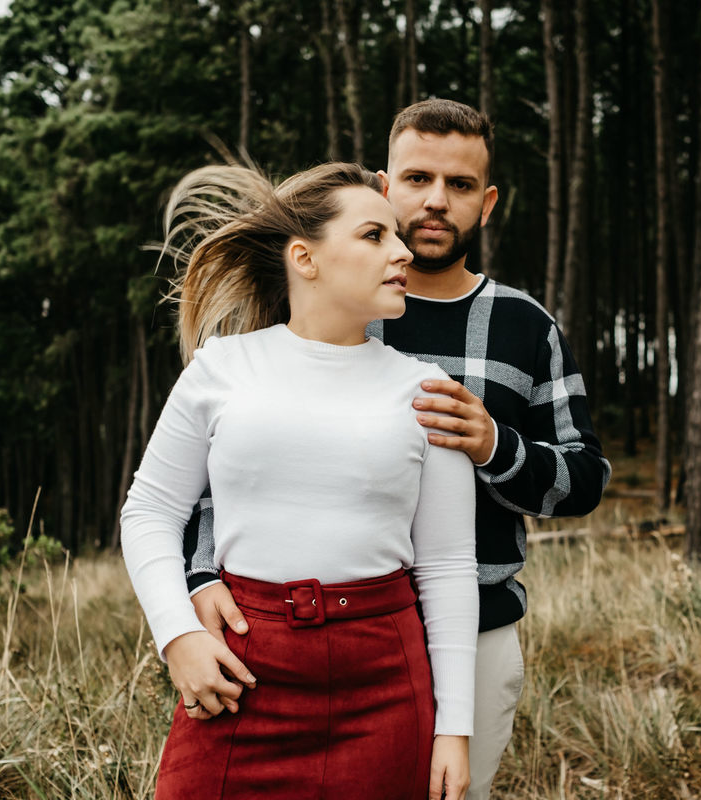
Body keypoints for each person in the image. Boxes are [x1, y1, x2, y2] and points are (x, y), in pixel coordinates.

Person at [183, 100, 610, 799]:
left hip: (472, 637)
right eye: (417, 178)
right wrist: (201, 581)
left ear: (488, 201)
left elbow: (586, 479)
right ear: (384, 186)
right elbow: (217, 474)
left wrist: (494, 445)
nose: (436, 201)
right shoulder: (316, 310)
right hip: (299, 642)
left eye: (461, 185)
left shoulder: (525, 326)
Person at [120, 160, 479, 800]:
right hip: (241, 673)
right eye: (375, 235)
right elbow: (148, 511)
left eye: (398, 235)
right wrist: (177, 637)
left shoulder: (429, 392)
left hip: (386, 686)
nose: (402, 252)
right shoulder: (221, 368)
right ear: (304, 258)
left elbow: (448, 566)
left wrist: (454, 727)